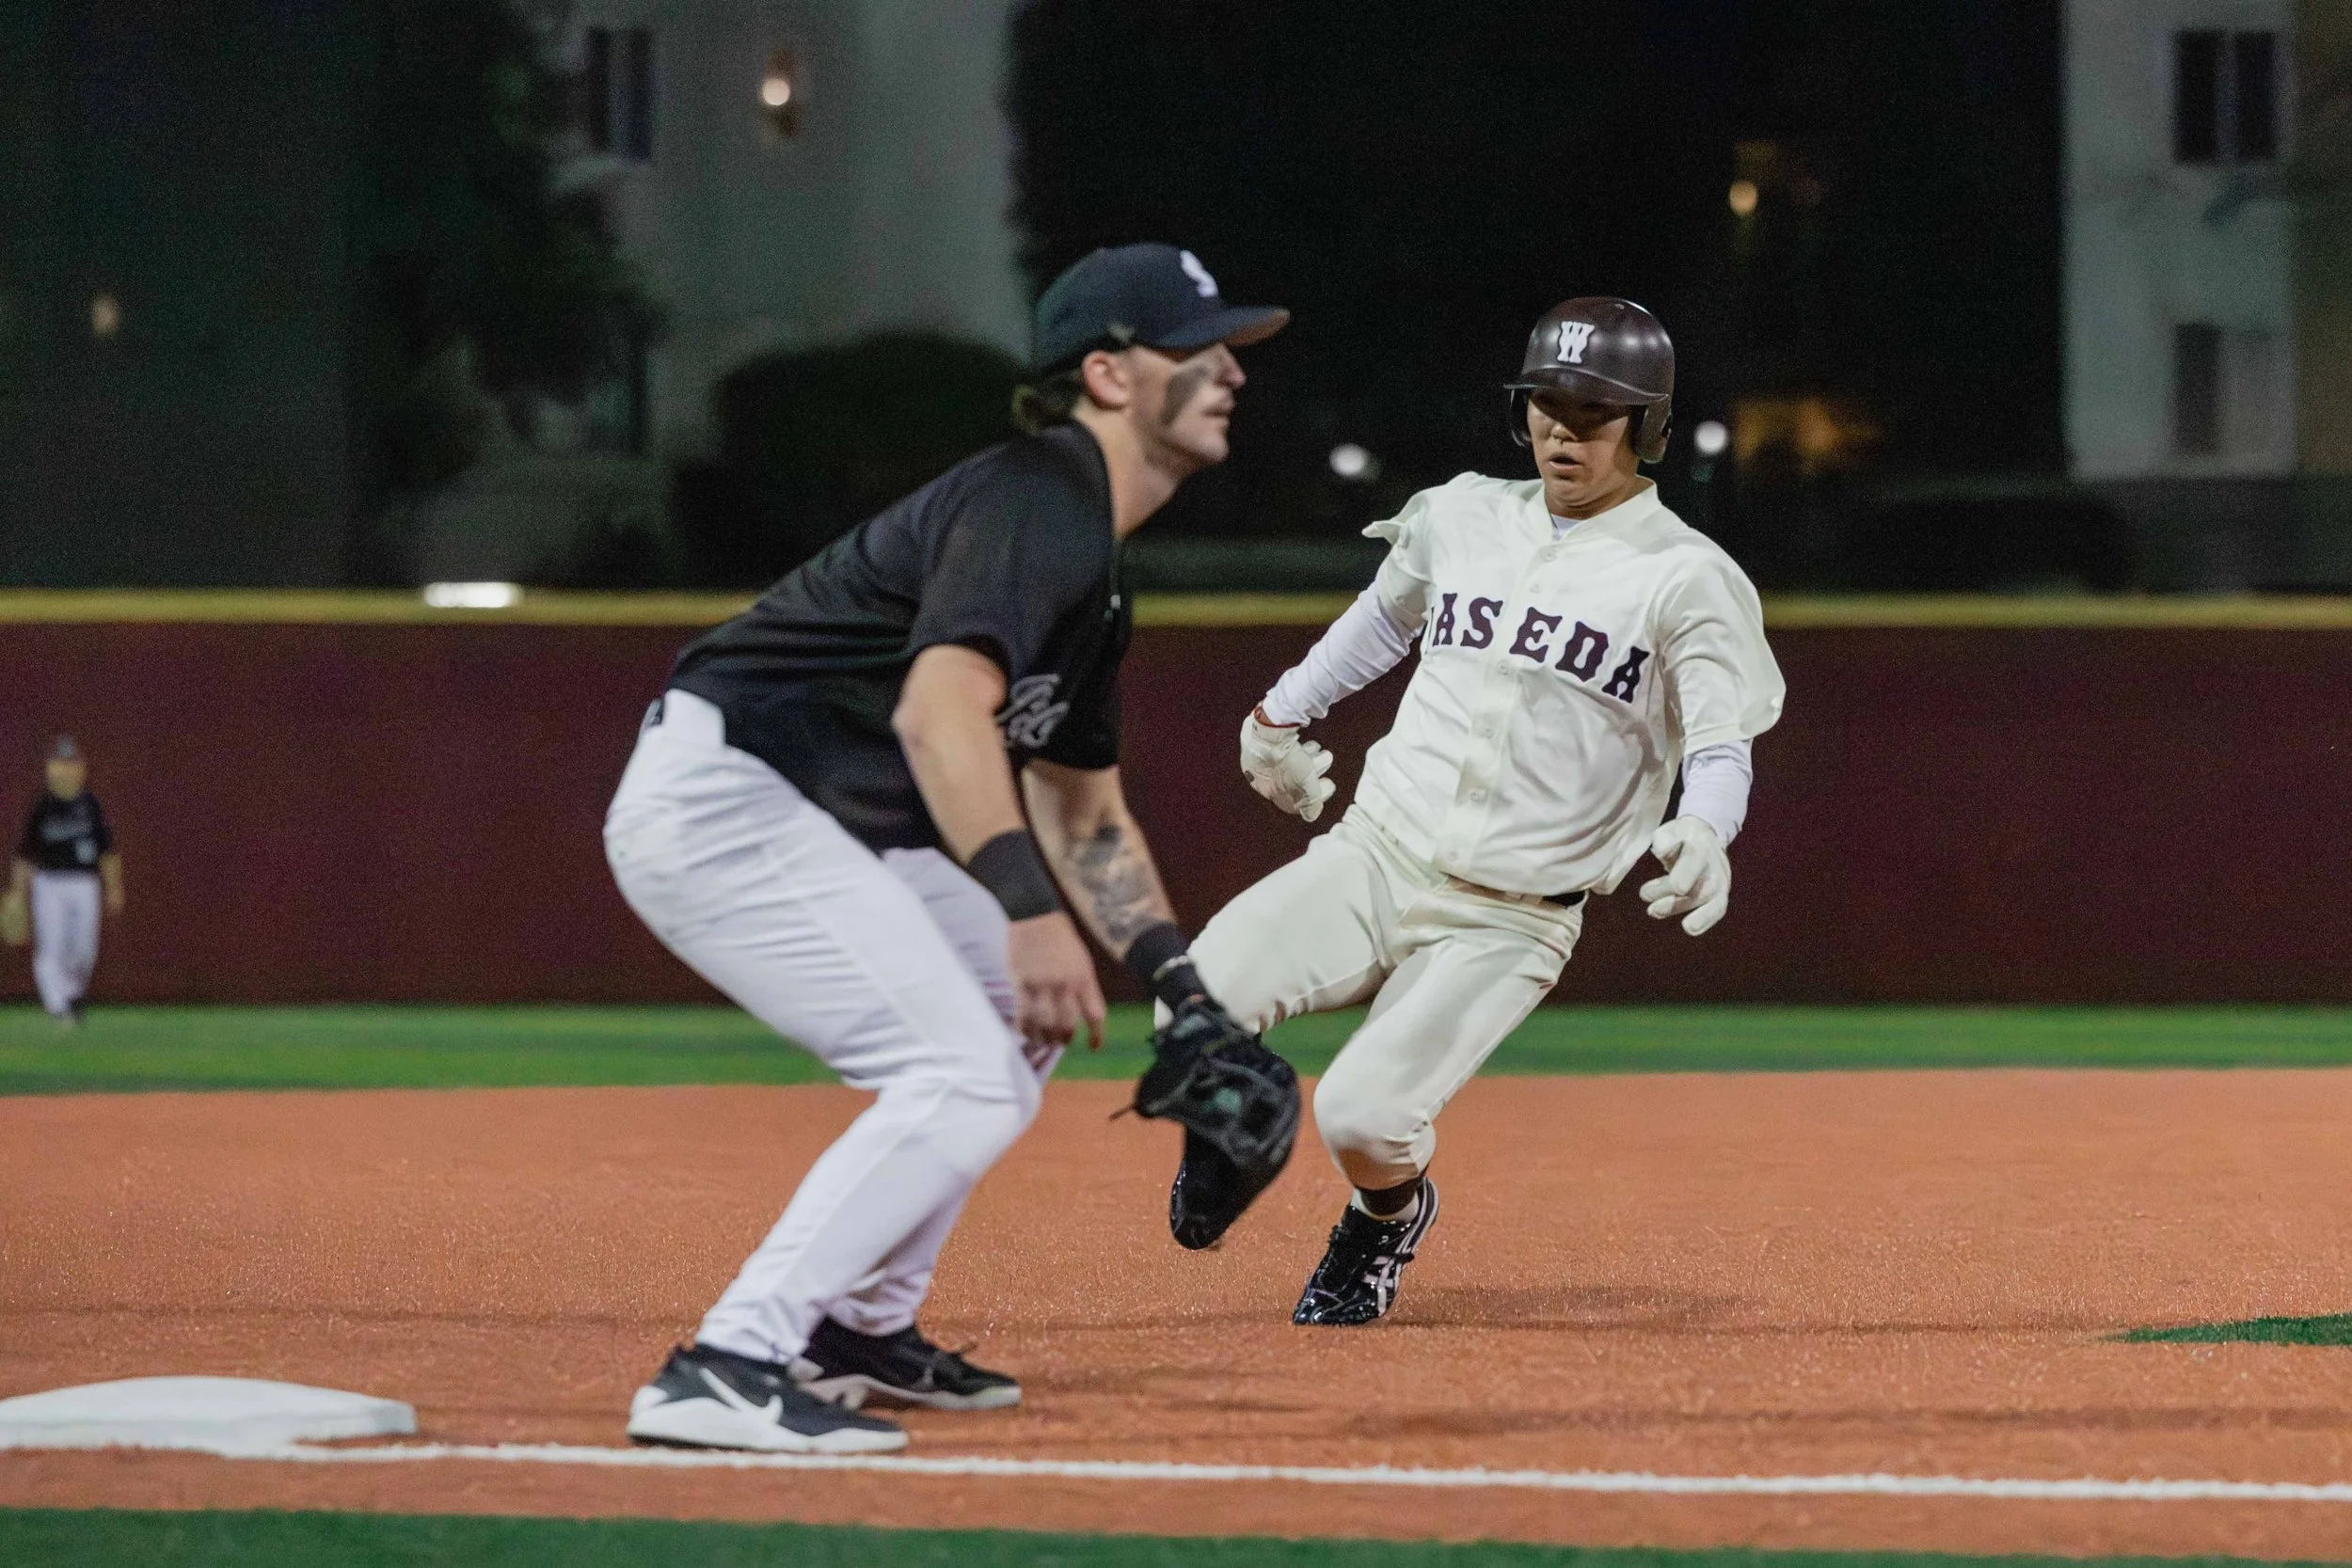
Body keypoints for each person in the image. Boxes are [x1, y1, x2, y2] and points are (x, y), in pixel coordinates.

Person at [604, 244, 1291, 1452]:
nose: (1230, 368)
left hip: (817, 817)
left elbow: (1084, 811)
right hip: (732, 798)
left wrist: (1180, 985)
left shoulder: (1091, 556)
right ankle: (727, 1359)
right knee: (961, 1070)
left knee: (1011, 1023)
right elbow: (938, 713)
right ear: (1108, 374)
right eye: (1197, 347)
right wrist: (1028, 912)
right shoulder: (1039, 495)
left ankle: (858, 1325)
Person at [1182, 298, 1786, 1324]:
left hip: (1510, 912)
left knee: (1365, 1118)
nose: (1562, 427)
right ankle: (1237, 1131)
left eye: (1593, 411)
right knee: (1189, 1001)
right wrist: (1278, 712)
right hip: (1376, 852)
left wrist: (1707, 826)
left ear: (1644, 427)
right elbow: (1381, 620)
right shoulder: (1463, 513)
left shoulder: (1683, 576)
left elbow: (1721, 741)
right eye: (1546, 403)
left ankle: (1384, 1216)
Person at [4, 737, 126, 1024]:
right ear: (49, 768)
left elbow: (107, 851)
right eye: (59, 763)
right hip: (49, 883)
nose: (65, 770)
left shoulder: (90, 805)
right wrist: (17, 893)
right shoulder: (42, 806)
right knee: (51, 946)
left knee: (85, 949)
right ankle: (58, 1006)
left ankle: (71, 996)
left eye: (71, 763)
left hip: (85, 883)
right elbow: (25, 854)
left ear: (81, 769)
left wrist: (115, 888)